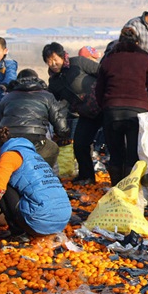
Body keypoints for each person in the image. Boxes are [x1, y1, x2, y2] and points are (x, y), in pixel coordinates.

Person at [95, 28, 148, 185]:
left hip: (112, 111)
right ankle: (130, 191)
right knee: (133, 154)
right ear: (137, 42)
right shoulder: (144, 59)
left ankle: (116, 190)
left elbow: (99, 90)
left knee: (116, 155)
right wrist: (147, 104)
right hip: (137, 112)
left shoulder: (109, 59)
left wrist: (106, 107)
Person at [0, 127, 71, 238]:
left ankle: (18, 233)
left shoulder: (8, 156)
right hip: (62, 219)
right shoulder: (29, 153)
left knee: (3, 185)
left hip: (41, 221)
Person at [44, 42, 101, 186]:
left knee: (114, 143)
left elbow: (102, 72)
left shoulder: (79, 63)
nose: (53, 63)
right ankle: (86, 177)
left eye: (55, 59)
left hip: (104, 106)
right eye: (49, 61)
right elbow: (54, 104)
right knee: (80, 144)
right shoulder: (54, 82)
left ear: (63, 56)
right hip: (86, 113)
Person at [0, 69, 70, 168]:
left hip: (9, 140)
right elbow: (60, 126)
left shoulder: (7, 97)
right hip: (36, 140)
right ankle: (43, 176)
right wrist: (64, 134)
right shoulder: (47, 96)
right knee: (53, 149)